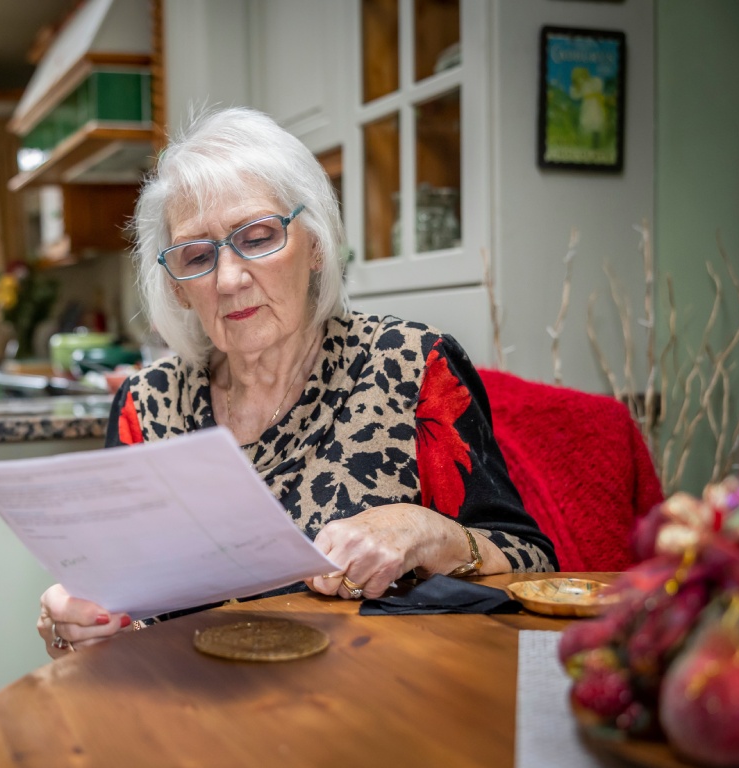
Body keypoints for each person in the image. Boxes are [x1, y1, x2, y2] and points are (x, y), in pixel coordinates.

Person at [37, 107, 557, 657]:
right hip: (199, 707)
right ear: (178, 288)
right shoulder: (146, 405)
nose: (230, 278)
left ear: (314, 245)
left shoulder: (410, 365)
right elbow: (121, 607)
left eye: (258, 237)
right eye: (197, 255)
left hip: (382, 702)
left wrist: (429, 529)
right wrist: (80, 623)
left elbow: (533, 563)